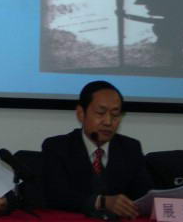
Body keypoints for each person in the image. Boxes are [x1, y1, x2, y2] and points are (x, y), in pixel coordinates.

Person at [42, 80, 152, 218]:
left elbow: (144, 195)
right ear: (81, 113)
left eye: (115, 114)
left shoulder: (130, 148)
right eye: (100, 113)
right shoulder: (57, 147)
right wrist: (101, 202)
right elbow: (55, 196)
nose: (108, 122)